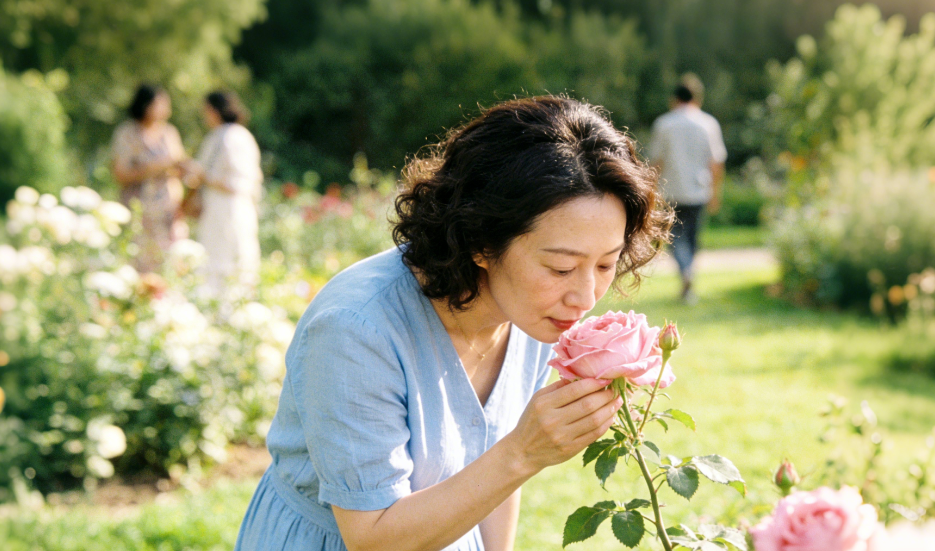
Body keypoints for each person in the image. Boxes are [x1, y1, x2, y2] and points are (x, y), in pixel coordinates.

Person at [233, 96, 672, 551]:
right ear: (480, 241)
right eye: (562, 268)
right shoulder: (355, 329)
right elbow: (373, 537)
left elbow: (493, 480)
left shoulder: (534, 313)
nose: (584, 298)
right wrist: (524, 452)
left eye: (606, 265)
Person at [647, 74, 727, 304]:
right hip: (698, 191)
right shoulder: (708, 123)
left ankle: (685, 273)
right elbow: (716, 163)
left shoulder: (664, 123)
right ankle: (688, 274)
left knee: (675, 238)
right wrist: (715, 192)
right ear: (698, 98)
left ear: (674, 99)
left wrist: (650, 191)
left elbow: (656, 162)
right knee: (692, 238)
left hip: (671, 191)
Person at [182, 91, 263, 291]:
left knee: (231, 259)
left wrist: (203, 175)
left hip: (230, 208)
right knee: (215, 260)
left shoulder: (233, 136)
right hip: (218, 208)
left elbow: (240, 182)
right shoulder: (222, 135)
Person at [111, 84, 188, 272]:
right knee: (138, 263)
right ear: (146, 105)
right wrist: (156, 167)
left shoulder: (169, 133)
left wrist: (181, 205)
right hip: (138, 211)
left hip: (167, 210)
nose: (166, 110)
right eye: (160, 104)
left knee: (170, 264)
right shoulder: (127, 133)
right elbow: (120, 173)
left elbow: (179, 169)